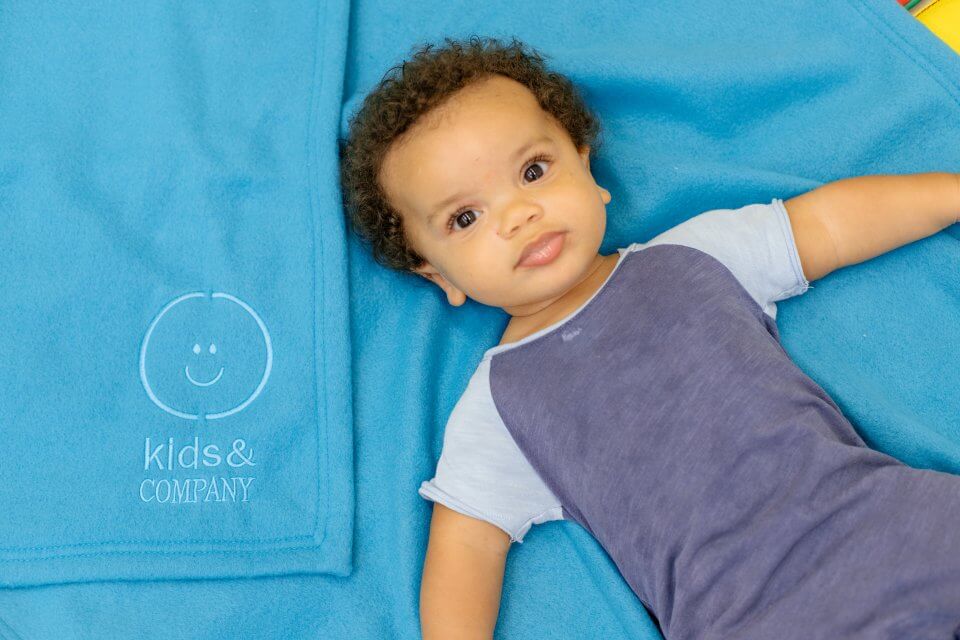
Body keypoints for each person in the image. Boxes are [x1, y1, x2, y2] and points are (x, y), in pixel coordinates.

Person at [338, 35, 960, 640]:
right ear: (437, 272)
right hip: (748, 616)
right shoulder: (501, 403)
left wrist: (948, 195)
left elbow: (829, 223)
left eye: (533, 170)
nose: (517, 215)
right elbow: (465, 547)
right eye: (466, 218)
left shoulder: (696, 254)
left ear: (586, 166)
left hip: (893, 524)